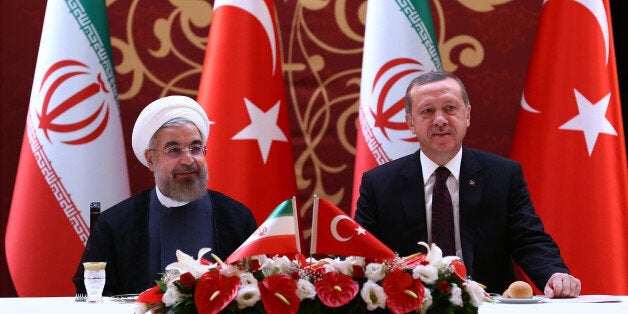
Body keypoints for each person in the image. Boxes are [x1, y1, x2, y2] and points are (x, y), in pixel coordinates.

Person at [354, 71, 581, 298]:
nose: (440, 120)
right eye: (427, 111)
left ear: (468, 115)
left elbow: (529, 240)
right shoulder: (379, 184)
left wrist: (554, 274)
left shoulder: (503, 176)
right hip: (412, 305)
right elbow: (359, 253)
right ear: (410, 123)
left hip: (488, 305)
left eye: (450, 108)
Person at [73, 95, 257, 295]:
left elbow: (254, 291)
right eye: (174, 150)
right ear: (151, 160)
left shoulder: (237, 218)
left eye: (195, 148)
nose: (188, 160)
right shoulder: (115, 224)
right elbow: (91, 294)